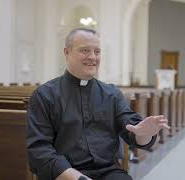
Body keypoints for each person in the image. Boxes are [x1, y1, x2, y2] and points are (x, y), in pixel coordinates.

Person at [26, 28, 170, 180]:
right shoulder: (44, 95)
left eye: (97, 51)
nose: (92, 57)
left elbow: (132, 129)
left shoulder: (112, 94)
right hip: (64, 174)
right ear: (66, 52)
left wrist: (144, 133)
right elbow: (39, 149)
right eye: (85, 50)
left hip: (108, 172)